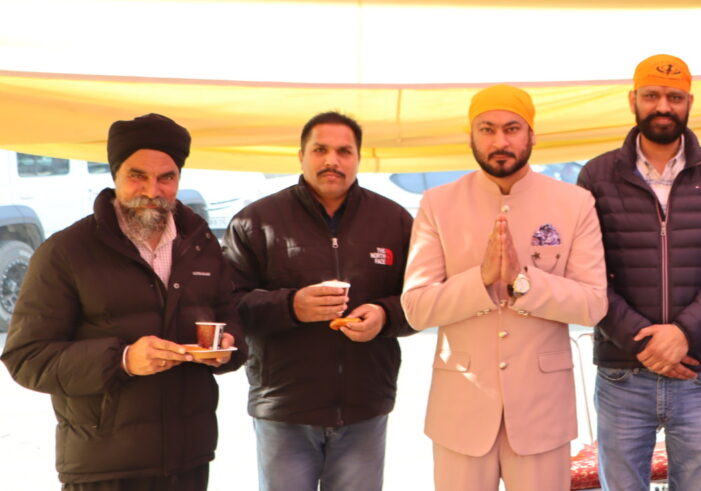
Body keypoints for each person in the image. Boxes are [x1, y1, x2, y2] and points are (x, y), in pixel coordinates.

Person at [2, 113, 245, 490]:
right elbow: (26, 357)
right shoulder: (66, 252)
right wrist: (123, 359)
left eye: (167, 177)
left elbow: (230, 316)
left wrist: (227, 346)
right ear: (114, 176)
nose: (153, 189)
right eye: (137, 175)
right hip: (104, 466)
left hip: (189, 459)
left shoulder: (201, 245)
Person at [401, 85, 607, 491]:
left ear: (532, 134)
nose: (500, 141)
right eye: (487, 129)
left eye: (512, 128)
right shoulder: (437, 204)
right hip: (460, 410)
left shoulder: (574, 202)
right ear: (471, 136)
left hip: (541, 411)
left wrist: (520, 281)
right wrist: (479, 279)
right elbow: (417, 308)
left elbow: (592, 304)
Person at [577, 54, 701, 491]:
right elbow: (587, 271)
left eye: (674, 97)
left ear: (689, 102)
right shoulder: (598, 175)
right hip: (623, 370)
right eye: (651, 95)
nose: (663, 106)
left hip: (700, 369)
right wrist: (644, 341)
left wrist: (681, 333)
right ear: (632, 100)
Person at [224, 111, 414, 491]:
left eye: (344, 151)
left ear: (359, 158)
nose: (332, 160)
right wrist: (291, 306)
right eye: (320, 150)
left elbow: (422, 300)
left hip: (365, 406)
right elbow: (228, 305)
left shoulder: (393, 221)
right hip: (285, 408)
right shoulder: (255, 221)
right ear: (301, 156)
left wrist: (384, 313)